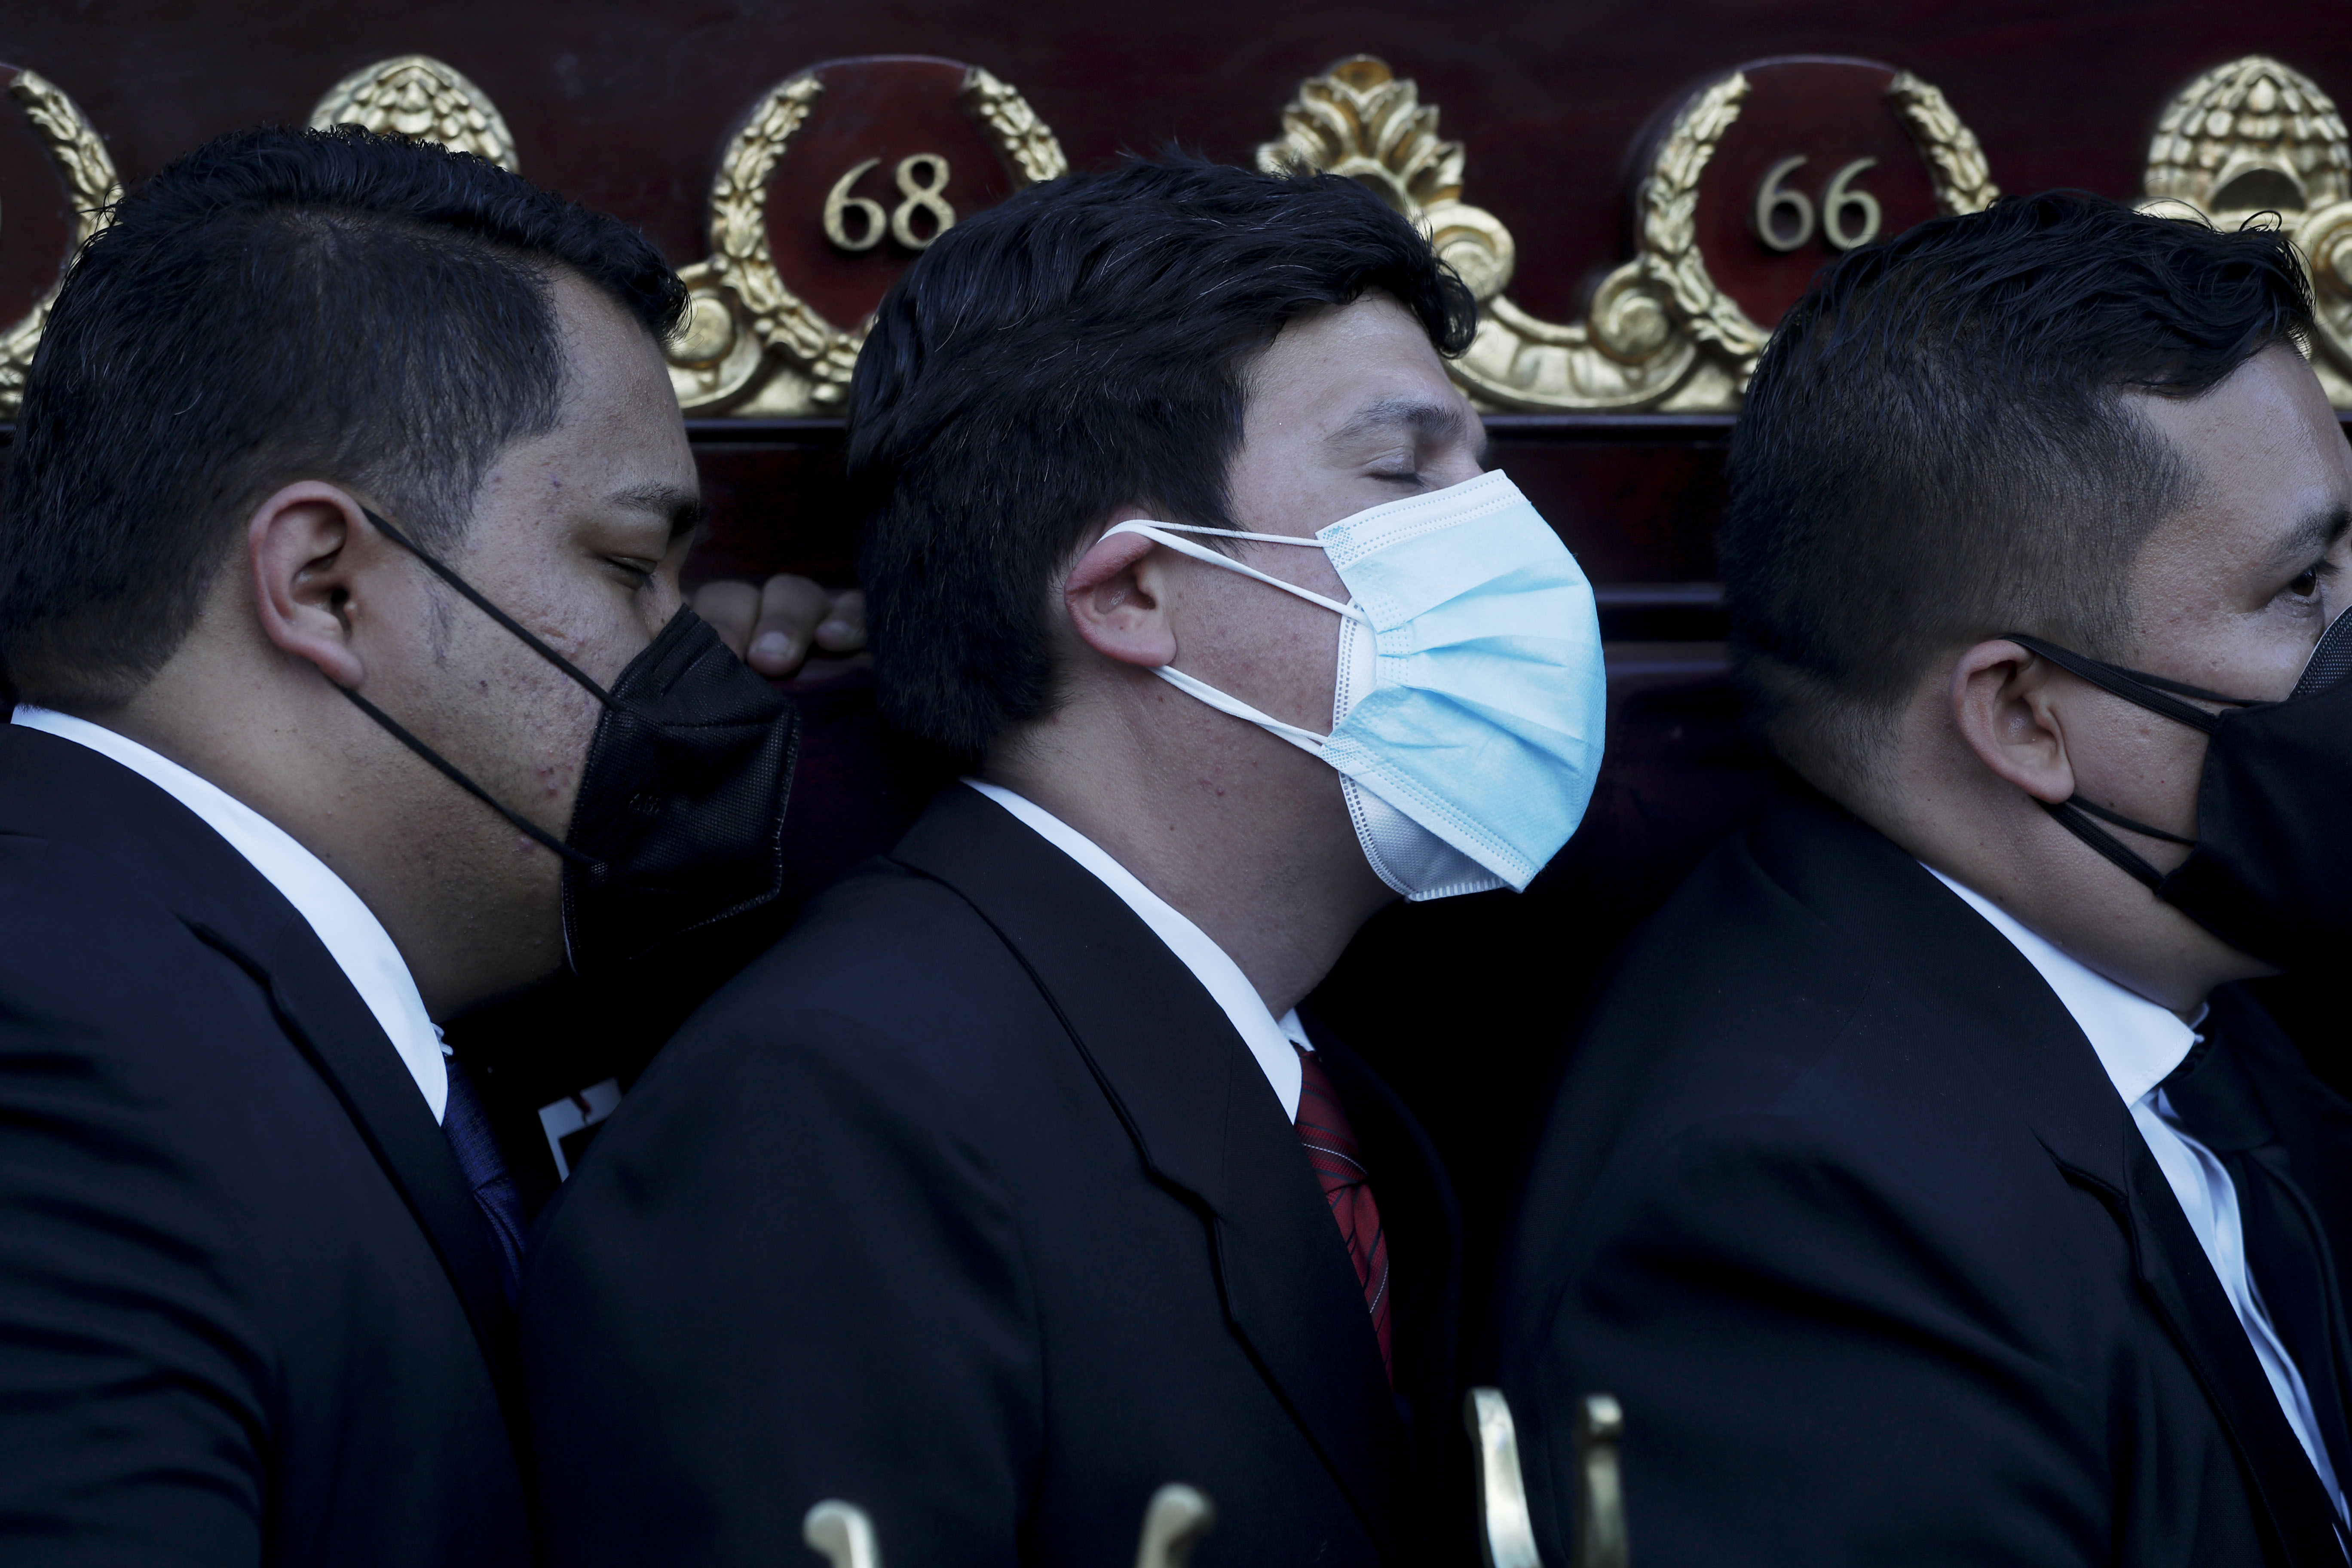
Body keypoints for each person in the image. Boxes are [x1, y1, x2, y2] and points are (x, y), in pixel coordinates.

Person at [522, 158, 1610, 1567]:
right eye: (1405, 472)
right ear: (1133, 591)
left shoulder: (1346, 1089)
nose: (1508, 541)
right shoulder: (823, 1123)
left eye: (1489, 469)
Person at [0, 125, 851, 1563]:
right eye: (632, 567)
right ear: (327, 585)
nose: (690, 657)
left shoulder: (297, 1003)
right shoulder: (51, 1060)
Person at [1498, 192, 2352, 1567]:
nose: (2347, 627)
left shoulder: (2196, 987)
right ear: (2022, 716)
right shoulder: (1787, 1218)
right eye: (2303, 587)